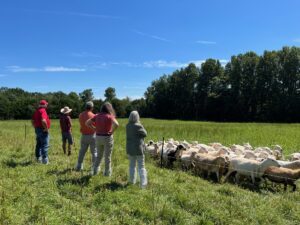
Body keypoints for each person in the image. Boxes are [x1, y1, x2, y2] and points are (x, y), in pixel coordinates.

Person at [86, 102, 119, 176]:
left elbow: (87, 123)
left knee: (99, 155)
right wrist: (112, 131)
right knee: (107, 156)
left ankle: (95, 171)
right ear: (109, 109)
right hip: (107, 137)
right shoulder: (110, 116)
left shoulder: (97, 115)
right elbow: (117, 124)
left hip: (98, 137)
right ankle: (107, 173)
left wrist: (94, 129)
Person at [126, 111, 148, 188]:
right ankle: (143, 184)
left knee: (132, 165)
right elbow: (145, 134)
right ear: (137, 117)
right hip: (139, 148)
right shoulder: (139, 126)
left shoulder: (127, 126)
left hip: (130, 148)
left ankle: (131, 181)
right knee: (141, 166)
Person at [75, 101, 97, 171]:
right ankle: (94, 167)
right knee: (94, 152)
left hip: (84, 135)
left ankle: (79, 166)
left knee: (82, 151)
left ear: (85, 107)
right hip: (92, 136)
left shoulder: (80, 115)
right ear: (92, 107)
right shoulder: (94, 115)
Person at [32, 99, 51, 164]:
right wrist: (46, 128)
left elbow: (32, 121)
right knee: (45, 145)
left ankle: (38, 158)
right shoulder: (43, 111)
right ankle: (45, 160)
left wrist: (35, 127)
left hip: (37, 129)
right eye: (46, 104)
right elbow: (43, 120)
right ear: (44, 105)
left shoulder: (36, 111)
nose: (47, 105)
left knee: (39, 144)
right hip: (43, 129)